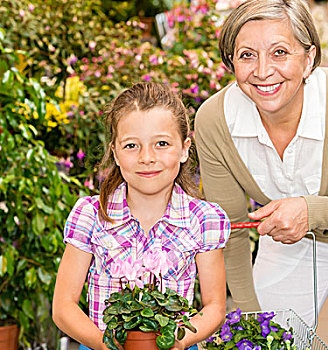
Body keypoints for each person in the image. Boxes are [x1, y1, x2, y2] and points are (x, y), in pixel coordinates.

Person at [194, 1, 328, 349]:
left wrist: (310, 212)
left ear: (309, 58)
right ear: (231, 63)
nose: (263, 71)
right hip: (291, 240)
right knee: (276, 341)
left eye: (280, 52)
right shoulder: (214, 121)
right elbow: (232, 229)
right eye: (247, 55)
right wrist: (254, 325)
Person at [52, 82, 230, 350]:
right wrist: (103, 344)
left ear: (184, 149)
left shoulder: (204, 220)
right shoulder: (90, 216)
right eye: (132, 145)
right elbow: (64, 306)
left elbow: (214, 306)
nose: (147, 157)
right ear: (115, 152)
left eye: (161, 143)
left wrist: (181, 341)